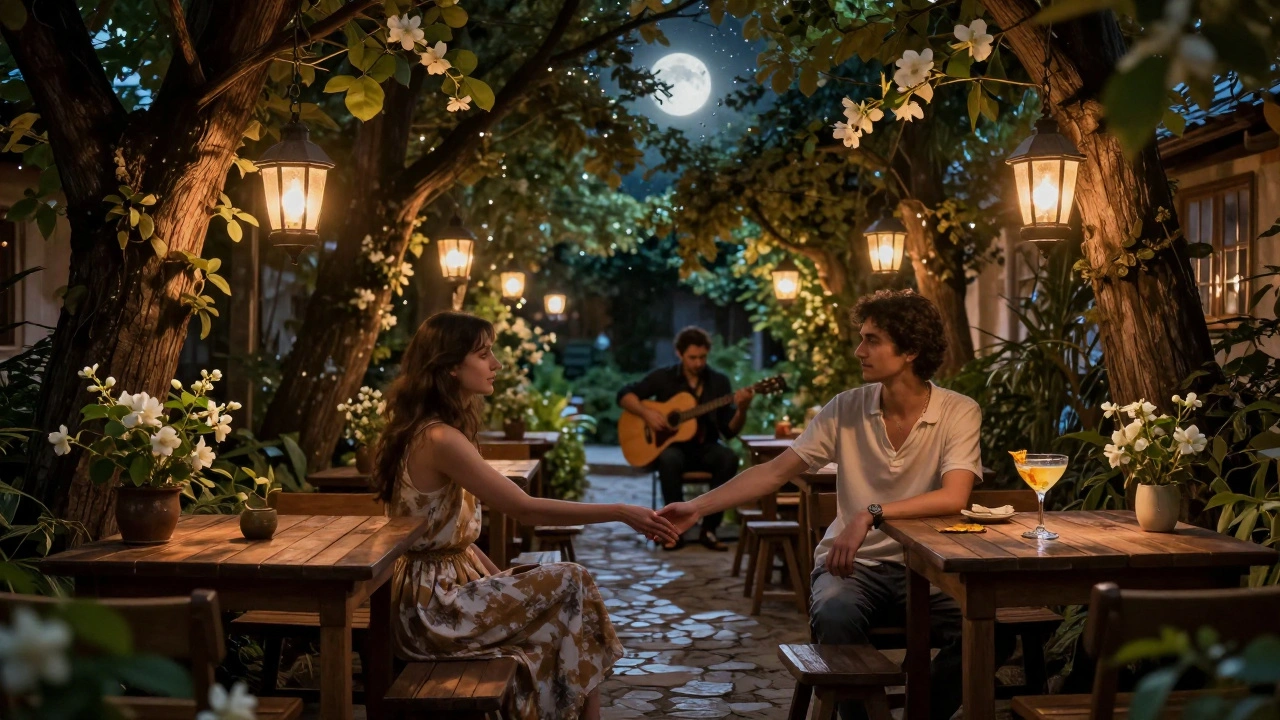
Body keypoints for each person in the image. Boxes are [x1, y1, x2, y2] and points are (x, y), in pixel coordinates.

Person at [658, 290, 983, 720]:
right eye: (861, 338)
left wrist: (871, 514)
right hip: (854, 569)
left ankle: (922, 712)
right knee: (833, 614)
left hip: (929, 568)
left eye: (871, 340)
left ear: (910, 351)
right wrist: (698, 508)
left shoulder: (959, 411)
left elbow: (954, 496)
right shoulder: (845, 408)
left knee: (985, 626)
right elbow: (774, 472)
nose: (858, 350)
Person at [373, 311, 680, 720]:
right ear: (449, 366)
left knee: (565, 603)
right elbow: (523, 508)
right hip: (431, 611)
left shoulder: (438, 430)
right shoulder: (440, 438)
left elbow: (457, 543)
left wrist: (501, 581)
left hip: (443, 593)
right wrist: (621, 511)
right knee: (573, 581)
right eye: (484, 354)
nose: (496, 364)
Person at [617, 326, 755, 551]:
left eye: (703, 357)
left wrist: (742, 409)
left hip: (705, 448)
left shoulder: (718, 382)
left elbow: (729, 431)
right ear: (679, 354)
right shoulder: (664, 378)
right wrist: (647, 414)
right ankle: (673, 532)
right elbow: (624, 395)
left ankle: (709, 529)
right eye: (692, 357)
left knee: (728, 458)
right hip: (673, 449)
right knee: (668, 459)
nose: (698, 363)